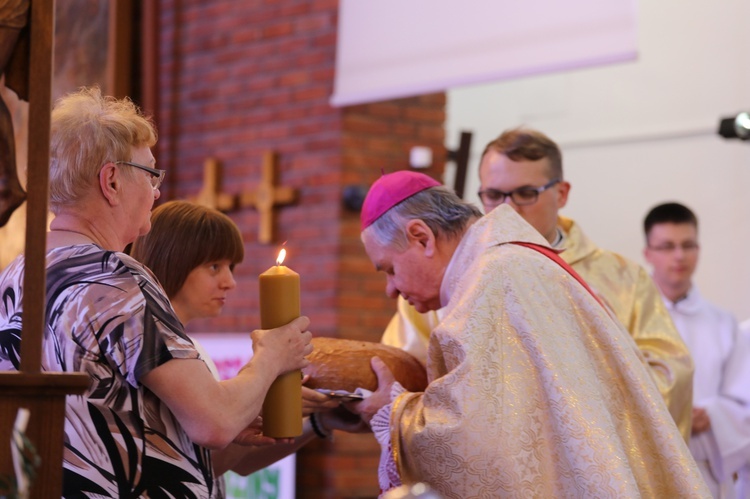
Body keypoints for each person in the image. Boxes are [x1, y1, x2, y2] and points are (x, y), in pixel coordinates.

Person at [0, 87, 312, 497]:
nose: (157, 191)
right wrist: (272, 356)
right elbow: (214, 422)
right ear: (111, 180)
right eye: (150, 174)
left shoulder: (15, 275)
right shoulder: (115, 277)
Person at [349, 170, 709, 497]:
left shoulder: (490, 282)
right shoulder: (512, 263)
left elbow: (478, 440)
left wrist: (394, 413)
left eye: (389, 269)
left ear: (421, 237)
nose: (390, 290)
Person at [382, 127, 694, 441]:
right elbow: (405, 375)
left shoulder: (622, 278)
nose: (506, 209)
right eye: (492, 195)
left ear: (561, 194)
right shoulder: (444, 284)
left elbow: (671, 377)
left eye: (525, 194)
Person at [129, 200, 340, 480]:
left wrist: (315, 420)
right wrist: (268, 363)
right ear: (172, 260)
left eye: (231, 267)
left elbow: (214, 465)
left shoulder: (191, 351)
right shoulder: (153, 346)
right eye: (214, 267)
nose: (230, 282)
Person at [644, 202, 750, 498]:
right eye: (667, 246)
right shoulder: (627, 320)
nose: (679, 255)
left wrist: (713, 416)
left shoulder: (723, 323)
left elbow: (745, 402)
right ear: (648, 253)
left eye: (687, 245)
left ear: (698, 249)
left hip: (706, 469)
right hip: (647, 467)